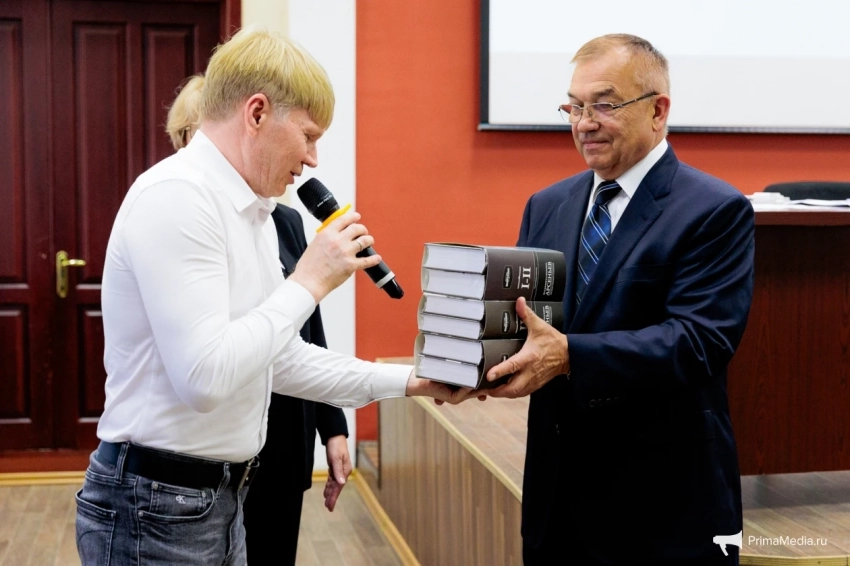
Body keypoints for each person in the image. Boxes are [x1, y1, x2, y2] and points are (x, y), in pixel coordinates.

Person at [74, 27, 465, 566]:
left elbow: (279, 361)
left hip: (218, 497)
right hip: (156, 505)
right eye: (308, 135)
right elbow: (204, 379)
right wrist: (309, 282)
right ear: (256, 113)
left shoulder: (251, 211)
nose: (313, 158)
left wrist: (411, 382)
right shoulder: (178, 198)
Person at [486, 34, 754, 565]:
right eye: (574, 107)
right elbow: (526, 323)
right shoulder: (546, 204)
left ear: (658, 111)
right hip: (555, 503)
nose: (584, 123)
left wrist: (570, 355)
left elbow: (700, 341)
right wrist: (475, 361)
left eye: (604, 105)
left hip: (661, 507)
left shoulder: (714, 209)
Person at [166, 74, 351, 565]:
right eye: (189, 136)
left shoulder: (283, 221)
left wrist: (333, 425)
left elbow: (308, 333)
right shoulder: (176, 211)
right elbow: (203, 362)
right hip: (216, 443)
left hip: (285, 430)